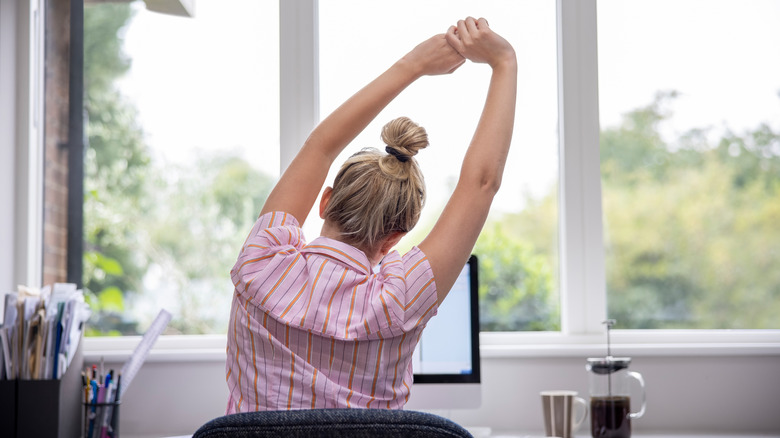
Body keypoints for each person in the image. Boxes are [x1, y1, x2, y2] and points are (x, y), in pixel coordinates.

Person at [225, 17, 517, 413]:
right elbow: (481, 184)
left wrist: (413, 65)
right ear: (396, 236)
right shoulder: (400, 298)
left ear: (324, 200)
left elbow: (320, 148)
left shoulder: (261, 260)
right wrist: (504, 62)